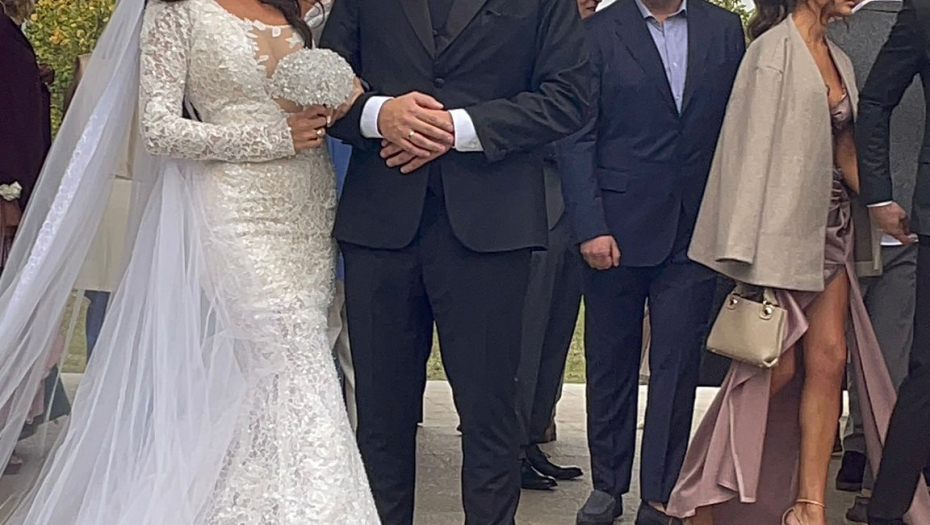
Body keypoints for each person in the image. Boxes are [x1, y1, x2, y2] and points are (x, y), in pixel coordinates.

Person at [0, 0, 382, 521]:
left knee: (289, 357)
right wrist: (274, 137)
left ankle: (249, 500)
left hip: (308, 204)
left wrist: (336, 99)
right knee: (289, 352)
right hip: (235, 207)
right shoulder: (175, 11)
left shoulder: (294, 8)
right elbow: (158, 129)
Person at [319, 0, 589, 523]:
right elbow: (325, 80)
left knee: (491, 416)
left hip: (492, 229)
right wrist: (379, 116)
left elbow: (569, 97)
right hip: (381, 228)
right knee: (379, 418)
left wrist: (457, 128)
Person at [665, 0, 930, 522]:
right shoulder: (770, 52)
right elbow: (747, 153)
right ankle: (701, 493)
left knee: (830, 361)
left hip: (831, 232)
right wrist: (745, 250)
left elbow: (843, 147)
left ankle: (810, 506)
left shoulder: (837, 56)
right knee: (774, 369)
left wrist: (882, 206)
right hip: (779, 238)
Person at [558, 0, 744, 522]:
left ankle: (661, 492)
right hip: (614, 229)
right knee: (610, 360)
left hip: (695, 228)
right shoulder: (596, 33)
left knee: (677, 364)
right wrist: (590, 226)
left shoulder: (724, 29)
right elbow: (576, 136)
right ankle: (607, 485)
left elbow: (737, 128)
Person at [829, 3, 924, 522]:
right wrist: (885, 197)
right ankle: (877, 485)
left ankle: (863, 463)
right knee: (898, 362)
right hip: (898, 218)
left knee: (858, 357)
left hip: (874, 220)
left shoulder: (853, 29)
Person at [515, 0, 601, 495]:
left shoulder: (603, 34)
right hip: (539, 185)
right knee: (526, 327)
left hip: (582, 198)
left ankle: (533, 435)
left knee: (557, 328)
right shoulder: (532, 31)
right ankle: (509, 446)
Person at [856, 0, 930, 523]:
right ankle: (886, 510)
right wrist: (878, 194)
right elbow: (876, 100)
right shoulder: (923, 12)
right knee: (926, 371)